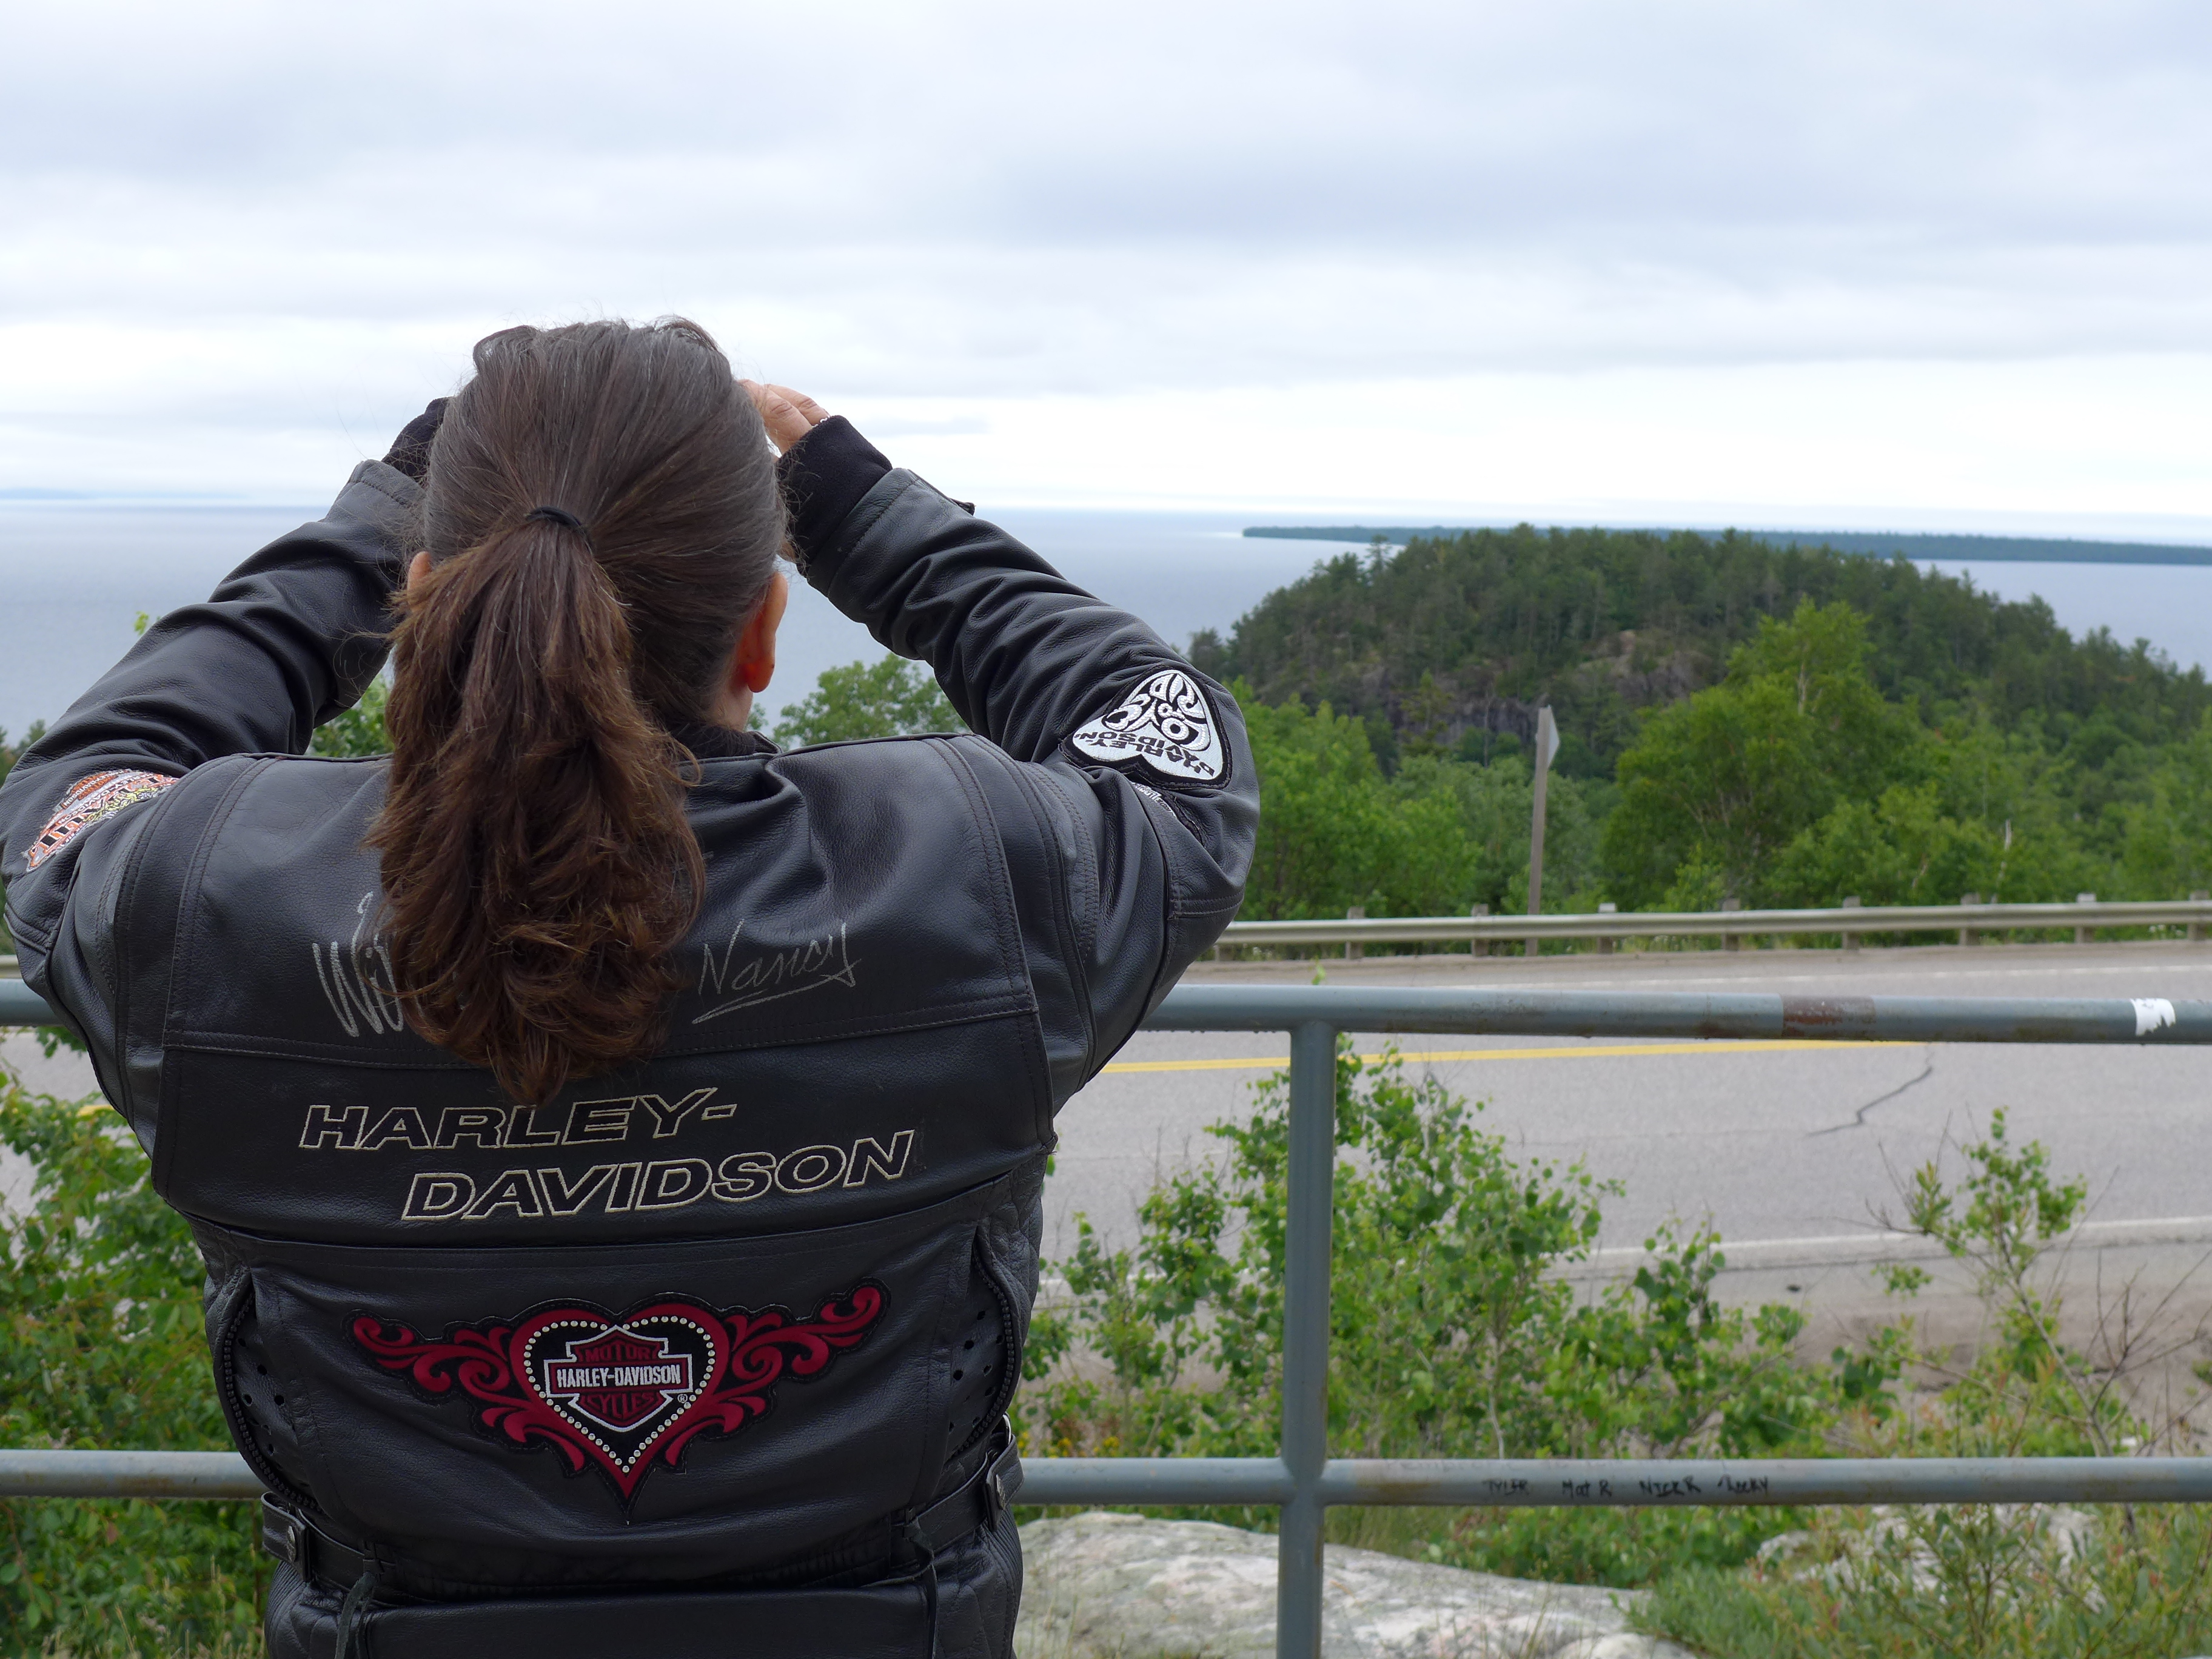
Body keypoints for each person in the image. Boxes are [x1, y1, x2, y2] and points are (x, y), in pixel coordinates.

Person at [0, 318, 1256, 1657]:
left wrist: (375, 520)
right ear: (762, 631)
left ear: (425, 608)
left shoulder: (205, 905)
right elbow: (1172, 755)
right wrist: (856, 506)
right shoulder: (983, 877)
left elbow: (74, 795)